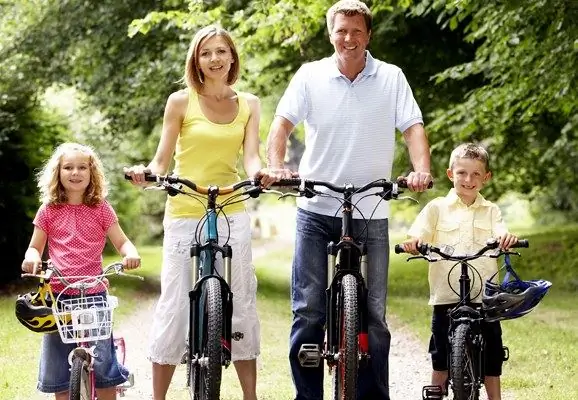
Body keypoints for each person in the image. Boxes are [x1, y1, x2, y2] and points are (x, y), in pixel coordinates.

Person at [259, 1, 432, 399]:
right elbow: (281, 125)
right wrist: (277, 165)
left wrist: (420, 169)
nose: (349, 38)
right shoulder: (310, 75)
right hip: (316, 207)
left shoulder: (391, 77)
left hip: (372, 207)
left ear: (368, 35)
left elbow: (413, 128)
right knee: (308, 312)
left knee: (374, 317)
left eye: (357, 31)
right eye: (341, 30)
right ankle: (308, 395)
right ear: (330, 33)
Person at [123, 25, 262, 400]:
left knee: (243, 298)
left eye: (221, 51)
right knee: (173, 302)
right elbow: (161, 158)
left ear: (232, 57)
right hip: (186, 207)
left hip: (232, 206)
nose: (214, 59)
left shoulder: (249, 103)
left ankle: (250, 396)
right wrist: (147, 173)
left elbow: (251, 158)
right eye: (206, 53)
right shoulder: (180, 102)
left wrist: (261, 175)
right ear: (196, 60)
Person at [21, 142, 141, 400]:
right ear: (58, 173)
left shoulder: (100, 208)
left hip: (94, 291)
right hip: (58, 294)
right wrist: (31, 259)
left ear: (91, 173)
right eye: (68, 167)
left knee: (103, 361)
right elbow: (35, 247)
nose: (75, 173)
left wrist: (130, 254)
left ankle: (109, 386)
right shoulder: (49, 210)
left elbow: (121, 242)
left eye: (82, 167)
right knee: (56, 362)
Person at [401, 143, 518, 400]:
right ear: (450, 174)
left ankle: (494, 397)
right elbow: (418, 234)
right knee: (441, 352)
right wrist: (413, 243)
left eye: (476, 174)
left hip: (484, 296)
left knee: (492, 353)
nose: (468, 179)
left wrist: (505, 238)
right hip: (446, 295)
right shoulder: (436, 208)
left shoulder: (491, 210)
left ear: (486, 178)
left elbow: (499, 230)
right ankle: (437, 392)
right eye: (462, 173)